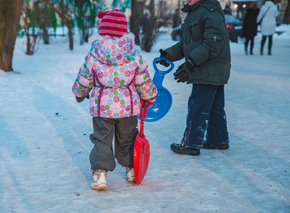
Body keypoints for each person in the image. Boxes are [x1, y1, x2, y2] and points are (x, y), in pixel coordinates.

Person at [72, 9, 158, 190]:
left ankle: (100, 175)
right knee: (128, 138)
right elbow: (142, 78)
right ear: (124, 31)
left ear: (103, 30)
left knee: (102, 139)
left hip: (103, 107)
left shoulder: (95, 53)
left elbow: (85, 77)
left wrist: (79, 92)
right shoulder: (133, 53)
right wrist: (149, 95)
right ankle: (131, 170)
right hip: (128, 107)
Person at [157, 0, 231, 156]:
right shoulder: (194, 12)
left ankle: (191, 143)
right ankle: (218, 139)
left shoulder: (209, 10)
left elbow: (213, 42)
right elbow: (186, 44)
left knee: (198, 105)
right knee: (214, 106)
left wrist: (191, 62)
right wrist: (168, 55)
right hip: (207, 66)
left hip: (210, 66)